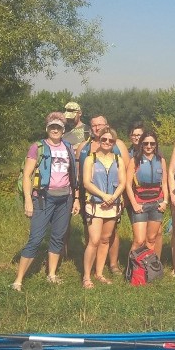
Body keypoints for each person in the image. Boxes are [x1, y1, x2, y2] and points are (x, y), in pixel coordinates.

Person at [12, 112, 79, 291]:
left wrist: (76, 198)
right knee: (36, 238)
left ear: (63, 129)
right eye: (52, 127)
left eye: (58, 127)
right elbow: (27, 175)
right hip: (42, 198)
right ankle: (18, 280)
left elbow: (74, 175)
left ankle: (51, 274)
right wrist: (28, 199)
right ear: (47, 128)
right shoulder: (38, 147)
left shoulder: (68, 147)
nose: (55, 130)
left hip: (65, 198)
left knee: (58, 237)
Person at [75, 115, 130, 274]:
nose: (97, 128)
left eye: (100, 125)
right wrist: (77, 197)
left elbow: (126, 172)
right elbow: (79, 177)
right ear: (90, 128)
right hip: (91, 197)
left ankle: (112, 264)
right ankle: (90, 268)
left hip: (114, 197)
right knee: (91, 234)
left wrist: (121, 197)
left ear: (107, 125)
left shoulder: (119, 145)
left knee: (111, 234)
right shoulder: (84, 147)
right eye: (94, 125)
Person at [125, 129, 169, 258]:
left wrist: (165, 201)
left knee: (151, 239)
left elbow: (164, 183)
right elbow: (128, 184)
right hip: (140, 203)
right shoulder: (135, 160)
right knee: (139, 240)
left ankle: (149, 269)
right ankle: (132, 270)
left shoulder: (161, 161)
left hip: (157, 203)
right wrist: (134, 204)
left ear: (156, 145)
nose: (149, 146)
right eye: (145, 143)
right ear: (141, 144)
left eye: (152, 143)